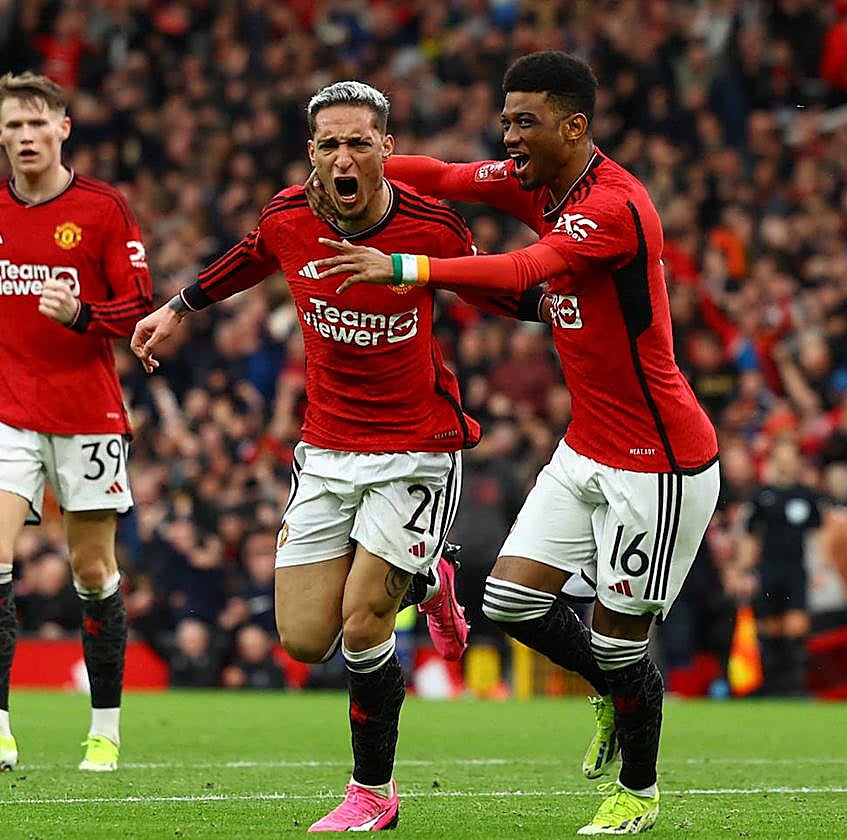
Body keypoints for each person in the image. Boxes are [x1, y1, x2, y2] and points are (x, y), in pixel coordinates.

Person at [310, 52, 720, 835]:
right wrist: (364, 155)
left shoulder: (617, 206)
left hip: (660, 462)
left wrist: (408, 266)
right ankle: (615, 688)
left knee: (619, 638)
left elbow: (532, 265)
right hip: (589, 446)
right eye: (506, 121)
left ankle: (636, 791)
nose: (509, 136)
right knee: (510, 601)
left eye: (524, 122)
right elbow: (452, 176)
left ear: (575, 126)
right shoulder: (538, 179)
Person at [131, 81, 542, 832]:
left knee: (361, 627)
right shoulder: (289, 217)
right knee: (304, 638)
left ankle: (373, 793)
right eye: (330, 145)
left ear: (388, 149)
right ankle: (427, 576)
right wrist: (178, 307)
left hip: (417, 449)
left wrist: (571, 290)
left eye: (360, 142)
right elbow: (250, 256)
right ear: (311, 155)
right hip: (325, 450)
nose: (344, 157)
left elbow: (499, 292)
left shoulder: (430, 225)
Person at [0, 72, 152, 773]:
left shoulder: (105, 209)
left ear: (63, 128)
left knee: (92, 568)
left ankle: (103, 729)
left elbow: (138, 305)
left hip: (86, 412)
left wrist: (82, 315)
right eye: (13, 125)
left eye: (37, 124)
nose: (25, 137)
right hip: (4, 408)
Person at [739, 440, 821, 696]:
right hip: (769, 569)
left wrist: (820, 568)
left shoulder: (807, 495)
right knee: (769, 628)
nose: (786, 463)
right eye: (781, 457)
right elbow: (752, 536)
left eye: (790, 456)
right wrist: (745, 571)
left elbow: (817, 535)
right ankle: (772, 688)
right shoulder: (763, 495)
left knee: (796, 626)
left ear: (797, 461)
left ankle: (795, 688)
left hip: (795, 570)